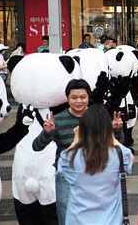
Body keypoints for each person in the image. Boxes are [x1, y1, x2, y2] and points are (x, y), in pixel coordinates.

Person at [32, 79, 123, 225]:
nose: (79, 101)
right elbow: (36, 146)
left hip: (96, 175)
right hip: (68, 177)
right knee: (67, 217)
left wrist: (116, 130)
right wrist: (47, 132)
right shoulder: (58, 120)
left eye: (83, 97)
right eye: (74, 98)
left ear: (89, 97)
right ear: (67, 98)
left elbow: (116, 144)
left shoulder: (98, 117)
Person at [57, 104, 133, 225]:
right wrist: (111, 136)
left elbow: (62, 164)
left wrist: (76, 141)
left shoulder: (70, 157)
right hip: (111, 220)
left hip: (78, 220)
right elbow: (129, 159)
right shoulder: (119, 155)